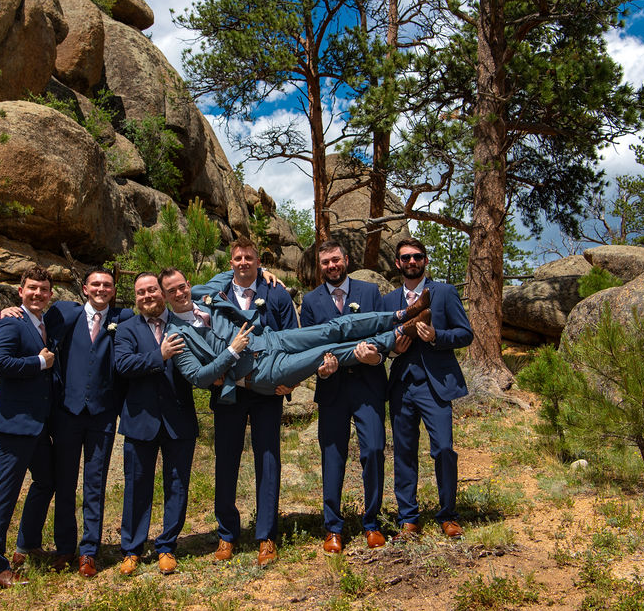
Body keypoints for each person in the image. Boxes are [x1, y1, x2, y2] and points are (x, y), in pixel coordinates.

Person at [159, 266, 415, 564]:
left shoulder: (207, 291)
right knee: (227, 463)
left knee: (331, 332)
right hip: (240, 387)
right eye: (172, 291)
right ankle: (227, 536)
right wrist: (230, 352)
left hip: (271, 347)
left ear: (189, 284)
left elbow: (239, 265)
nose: (179, 293)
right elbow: (199, 377)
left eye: (182, 287)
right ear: (165, 296)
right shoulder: (175, 334)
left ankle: (399, 319)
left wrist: (264, 269)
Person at [0, 267, 134, 577]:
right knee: (64, 482)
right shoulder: (63, 313)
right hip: (67, 413)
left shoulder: (123, 318)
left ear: (113, 291)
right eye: (95, 284)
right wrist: (2, 312)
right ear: (85, 288)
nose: (101, 289)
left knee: (95, 484)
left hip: (102, 415)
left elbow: (168, 306)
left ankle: (88, 552)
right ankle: (64, 548)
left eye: (108, 285)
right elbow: (28, 320)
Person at [188, 238, 298, 566]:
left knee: (268, 459)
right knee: (226, 460)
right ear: (231, 262)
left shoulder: (276, 294)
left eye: (248, 257)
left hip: (266, 392)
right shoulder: (214, 296)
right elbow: (198, 334)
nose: (242, 262)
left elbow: (292, 339)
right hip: (228, 393)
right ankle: (226, 534)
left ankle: (266, 536)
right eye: (237, 258)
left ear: (258, 260)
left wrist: (289, 380)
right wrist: (212, 373)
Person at [381, 238, 473, 539]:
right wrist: (393, 349)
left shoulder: (444, 293)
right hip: (401, 386)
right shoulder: (388, 301)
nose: (411, 262)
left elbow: (465, 333)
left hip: (436, 386)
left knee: (444, 449)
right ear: (397, 263)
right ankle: (408, 518)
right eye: (405, 257)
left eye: (417, 257)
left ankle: (448, 514)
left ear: (425, 261)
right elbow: (381, 343)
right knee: (404, 453)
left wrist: (436, 336)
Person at [299, 241, 388, 554]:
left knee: (374, 450)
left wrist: (375, 357)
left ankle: (372, 523)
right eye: (325, 262)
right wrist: (322, 370)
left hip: (369, 386)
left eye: (335, 259)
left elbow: (383, 335)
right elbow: (308, 347)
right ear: (319, 266)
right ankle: (333, 528)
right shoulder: (310, 302)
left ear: (346, 260)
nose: (331, 266)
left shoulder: (370, 292)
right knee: (333, 457)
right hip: (332, 388)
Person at [112, 272, 199, 576]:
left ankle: (166, 547)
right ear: (134, 298)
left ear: (162, 293)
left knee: (177, 486)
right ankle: (132, 550)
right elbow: (122, 365)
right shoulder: (126, 330)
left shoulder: (183, 324)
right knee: (137, 487)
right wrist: (158, 356)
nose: (147, 296)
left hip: (179, 420)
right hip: (140, 421)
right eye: (140, 292)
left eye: (152, 290)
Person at [0, 265, 60, 588]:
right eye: (32, 288)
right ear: (20, 291)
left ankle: (26, 545)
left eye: (43, 289)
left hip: (39, 424)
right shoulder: (11, 323)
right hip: (16, 425)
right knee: (5, 493)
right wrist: (38, 362)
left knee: (47, 480)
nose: (37, 293)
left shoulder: (43, 323)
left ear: (50, 293)